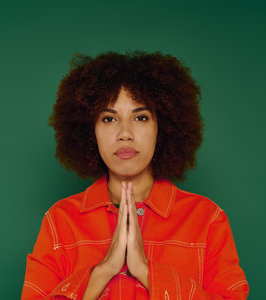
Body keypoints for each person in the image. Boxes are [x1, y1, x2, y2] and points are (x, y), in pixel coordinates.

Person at [21, 51, 249, 299]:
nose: (125, 133)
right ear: (90, 131)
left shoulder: (207, 220)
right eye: (109, 118)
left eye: (140, 117)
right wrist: (103, 271)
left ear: (162, 127)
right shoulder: (60, 222)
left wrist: (145, 271)